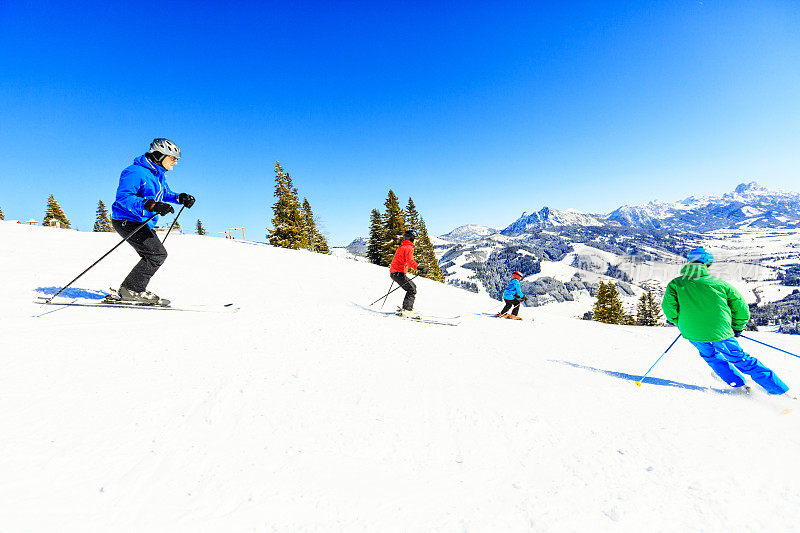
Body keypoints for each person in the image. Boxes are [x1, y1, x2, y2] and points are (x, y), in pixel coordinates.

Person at [661, 247, 789, 395]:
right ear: (707, 264)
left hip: (692, 332)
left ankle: (738, 385)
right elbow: (741, 308)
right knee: (741, 360)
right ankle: (778, 391)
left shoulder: (675, 283)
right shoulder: (720, 284)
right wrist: (737, 327)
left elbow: (669, 309)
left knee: (712, 357)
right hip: (721, 332)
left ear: (689, 262)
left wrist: (682, 323)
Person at [109, 138, 195, 305]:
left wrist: (179, 198)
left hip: (140, 221)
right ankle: (131, 290)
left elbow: (164, 193)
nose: (175, 162)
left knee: (154, 255)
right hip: (127, 220)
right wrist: (150, 205)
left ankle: (131, 289)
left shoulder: (158, 174)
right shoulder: (135, 172)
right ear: (158, 155)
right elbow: (123, 198)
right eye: (173, 158)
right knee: (156, 255)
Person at [389, 229, 427, 317]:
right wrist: (419, 268)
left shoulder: (403, 246)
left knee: (412, 287)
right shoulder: (408, 247)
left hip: (396, 273)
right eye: (415, 238)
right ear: (411, 238)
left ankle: (407, 307)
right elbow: (410, 262)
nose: (416, 240)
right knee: (412, 289)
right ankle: (407, 310)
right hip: (398, 273)